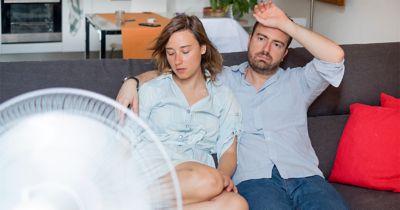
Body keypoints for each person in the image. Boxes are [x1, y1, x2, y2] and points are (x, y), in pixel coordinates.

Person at [117, 1, 349, 209]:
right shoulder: (222, 80)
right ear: (249, 40)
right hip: (256, 181)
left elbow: (335, 57)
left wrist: (286, 25)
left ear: (285, 52)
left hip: (306, 177)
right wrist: (133, 81)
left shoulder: (300, 81)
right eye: (261, 39)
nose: (266, 49)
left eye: (277, 44)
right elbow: (178, 68)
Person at [128, 14, 248, 210]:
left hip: (198, 181)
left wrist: (223, 177)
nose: (177, 61)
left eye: (185, 51)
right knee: (211, 181)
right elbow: (129, 137)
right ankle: (133, 197)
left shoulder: (223, 96)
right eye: (171, 52)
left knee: (237, 204)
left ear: (202, 48)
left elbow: (228, 151)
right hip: (156, 169)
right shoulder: (153, 89)